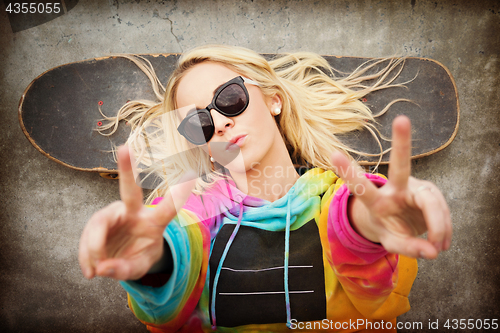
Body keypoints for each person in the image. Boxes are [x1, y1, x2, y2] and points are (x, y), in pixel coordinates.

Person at [78, 45, 452, 332]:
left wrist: (375, 225)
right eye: (199, 123)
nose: (220, 124)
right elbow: (179, 247)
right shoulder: (186, 212)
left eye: (229, 99)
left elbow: (351, 228)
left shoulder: (333, 198)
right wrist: (155, 263)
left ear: (273, 99)